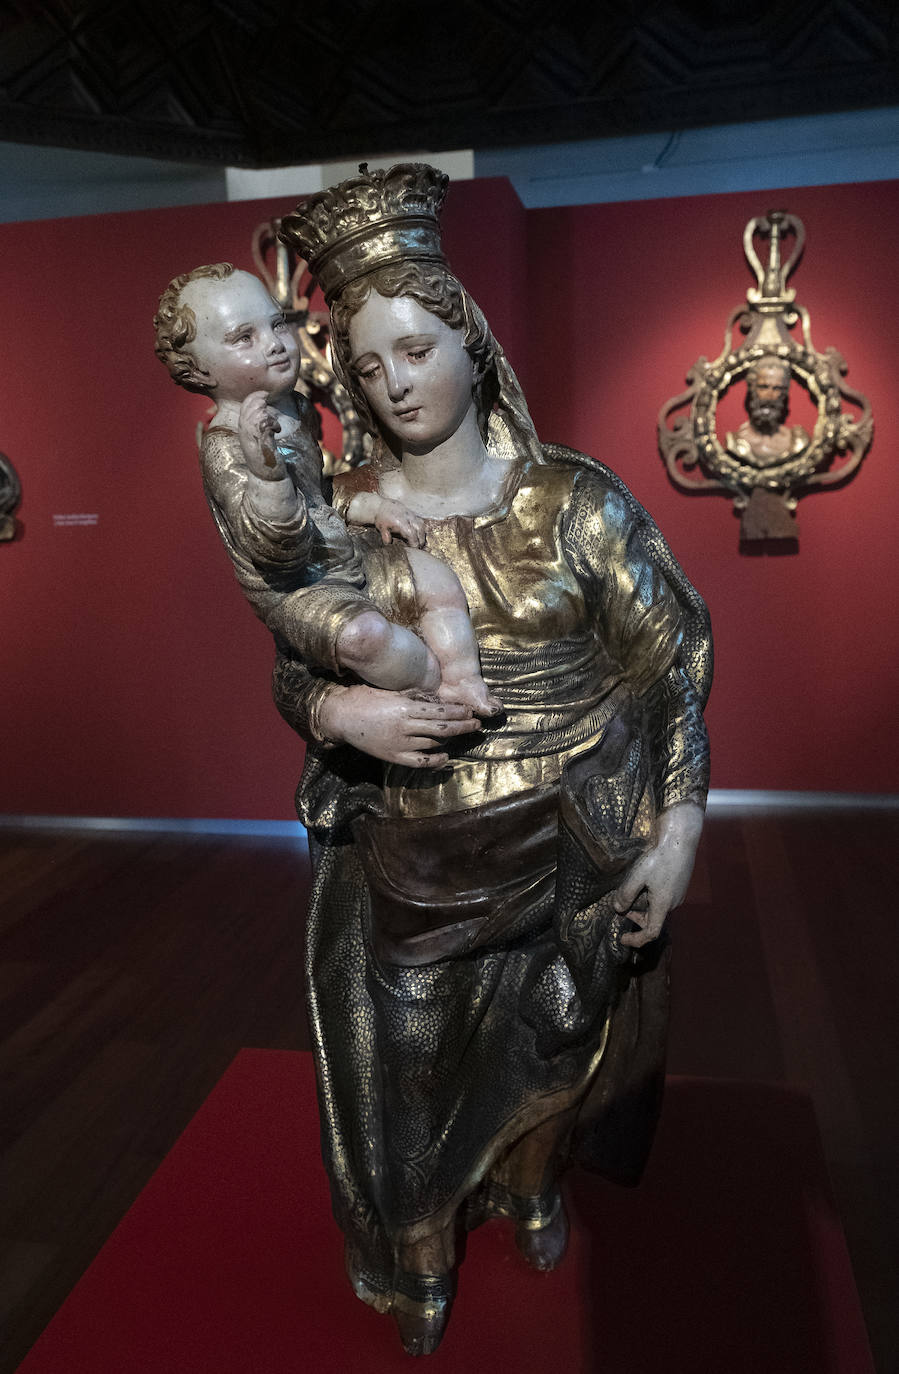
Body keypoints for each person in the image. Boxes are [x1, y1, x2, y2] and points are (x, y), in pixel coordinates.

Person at [269, 163, 712, 1356]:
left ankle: (527, 1183)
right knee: (409, 1060)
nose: (395, 382)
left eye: (414, 349)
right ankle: (419, 1242)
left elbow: (665, 663)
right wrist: (340, 715)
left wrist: (676, 829)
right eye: (368, 366)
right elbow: (290, 667)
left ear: (467, 341)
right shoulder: (343, 514)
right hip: (417, 844)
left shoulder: (573, 503)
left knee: (561, 1027)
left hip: (578, 828)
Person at [153, 263, 499, 715]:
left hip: (339, 554)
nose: (274, 343)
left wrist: (369, 507)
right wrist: (267, 474)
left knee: (434, 578)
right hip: (298, 589)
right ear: (199, 370)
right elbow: (276, 549)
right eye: (244, 338)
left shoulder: (295, 409)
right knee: (365, 638)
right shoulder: (227, 447)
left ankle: (464, 680)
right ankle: (434, 692)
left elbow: (315, 495)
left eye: (277, 324)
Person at [726, 355, 810, 467]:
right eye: (763, 387)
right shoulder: (735, 441)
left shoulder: (797, 441)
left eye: (777, 388)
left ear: (784, 393)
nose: (769, 396)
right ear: (752, 389)